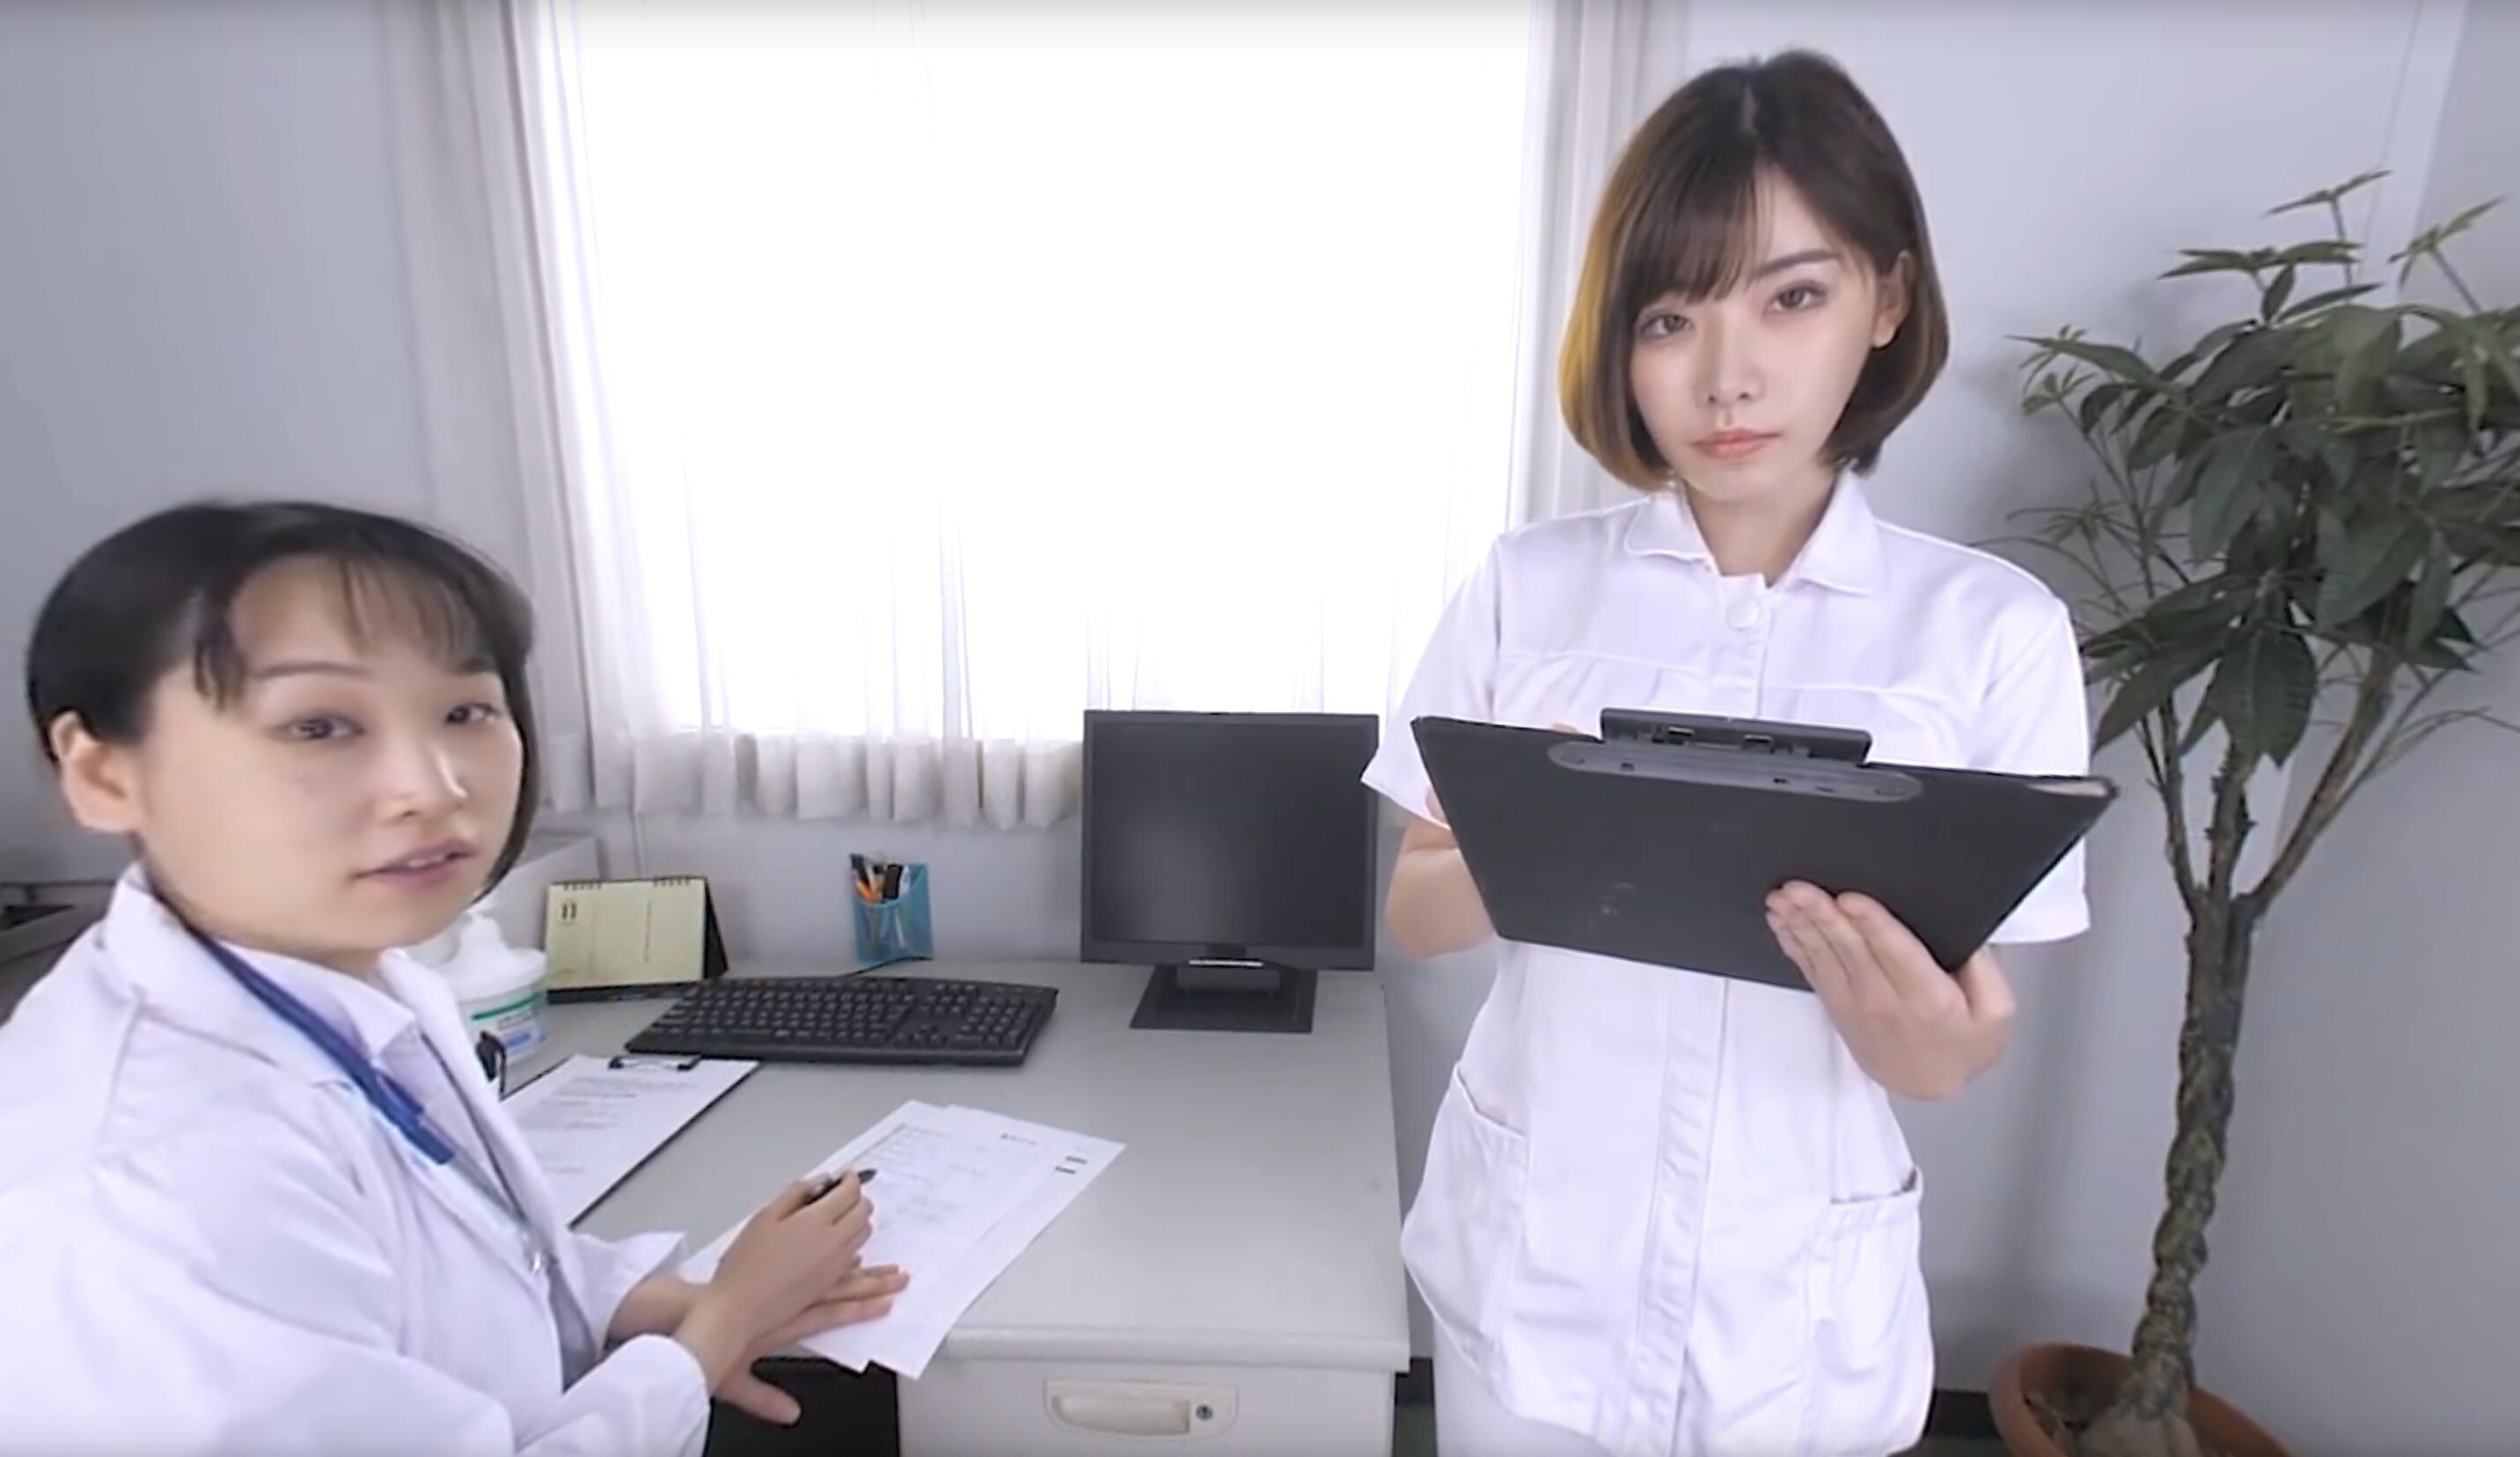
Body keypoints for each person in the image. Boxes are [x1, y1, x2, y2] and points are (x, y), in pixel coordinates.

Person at [1366, 50, 2091, 1457]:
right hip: (1538, 1266)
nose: (1727, 376)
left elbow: (1950, 1052)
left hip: (1792, 1307)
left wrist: (1925, 1037)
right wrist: (1543, 829)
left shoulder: (1991, 633)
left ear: (1887, 299)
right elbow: (1418, 912)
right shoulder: (1528, 589)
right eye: (1670, 318)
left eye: (1792, 298)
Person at [0, 501, 909, 1456]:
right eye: (318, 725)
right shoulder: (144, 1189)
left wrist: (664, 1303)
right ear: (105, 775)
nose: (433, 787)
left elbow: (474, 1242)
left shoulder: (355, 968)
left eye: (465, 711)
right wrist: (721, 1326)